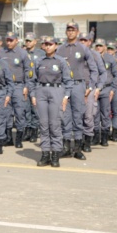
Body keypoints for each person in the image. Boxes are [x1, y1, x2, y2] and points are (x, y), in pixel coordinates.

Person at [56, 22, 98, 160]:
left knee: (78, 117)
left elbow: (94, 69)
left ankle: (78, 148)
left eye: (73, 30)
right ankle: (66, 147)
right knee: (65, 117)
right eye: (68, 30)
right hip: (64, 86)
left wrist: (90, 86)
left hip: (78, 86)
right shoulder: (60, 49)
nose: (70, 32)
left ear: (77, 32)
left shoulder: (83, 49)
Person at [30, 36, 73, 167]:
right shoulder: (38, 61)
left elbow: (68, 81)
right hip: (41, 91)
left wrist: (66, 97)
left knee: (55, 125)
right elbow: (32, 80)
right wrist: (33, 95)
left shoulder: (61, 62)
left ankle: (55, 155)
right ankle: (45, 154)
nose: (47, 46)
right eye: (45, 44)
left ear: (55, 45)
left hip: (56, 92)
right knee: (43, 125)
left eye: (50, 44)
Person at [0, 32, 33, 148]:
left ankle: (19, 139)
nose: (8, 42)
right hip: (5, 86)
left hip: (18, 86)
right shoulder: (1, 52)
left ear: (16, 41)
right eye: (7, 40)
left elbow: (28, 71)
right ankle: (8, 138)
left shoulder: (23, 53)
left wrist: (26, 86)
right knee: (6, 113)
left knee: (20, 113)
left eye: (11, 40)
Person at [79, 32, 106, 152]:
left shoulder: (95, 55)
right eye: (81, 40)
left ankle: (87, 142)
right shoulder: (74, 54)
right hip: (76, 88)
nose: (83, 42)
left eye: (85, 40)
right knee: (75, 117)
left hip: (90, 89)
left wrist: (98, 87)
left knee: (88, 116)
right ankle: (78, 141)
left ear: (90, 42)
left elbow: (103, 72)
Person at [93, 39, 117, 146]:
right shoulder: (92, 57)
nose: (99, 48)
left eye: (101, 46)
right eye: (97, 46)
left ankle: (104, 137)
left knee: (105, 114)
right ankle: (95, 136)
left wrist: (113, 89)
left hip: (106, 89)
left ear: (105, 46)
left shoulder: (110, 58)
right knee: (94, 113)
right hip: (95, 89)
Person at [23, 32, 45, 143]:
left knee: (35, 109)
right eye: (26, 41)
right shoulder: (22, 53)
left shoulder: (41, 53)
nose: (27, 43)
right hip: (24, 83)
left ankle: (34, 131)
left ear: (35, 42)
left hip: (36, 84)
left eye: (30, 41)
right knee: (25, 109)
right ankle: (27, 131)